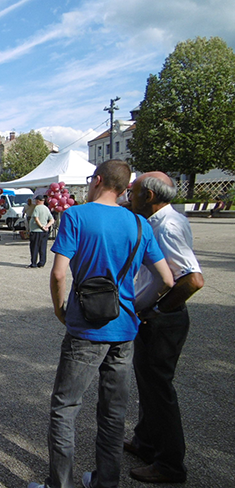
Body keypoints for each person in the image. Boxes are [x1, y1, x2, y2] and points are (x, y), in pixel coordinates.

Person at [29, 160, 174, 488]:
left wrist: (59, 309)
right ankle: (105, 482)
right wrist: (134, 308)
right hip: (124, 330)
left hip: (85, 328)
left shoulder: (77, 216)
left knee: (65, 407)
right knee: (113, 412)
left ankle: (59, 484)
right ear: (125, 188)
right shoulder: (139, 223)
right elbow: (166, 279)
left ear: (97, 181)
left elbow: (58, 273)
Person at [125, 172, 204, 484]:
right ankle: (145, 442)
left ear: (150, 197)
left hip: (163, 321)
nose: (129, 196)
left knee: (159, 391)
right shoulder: (160, 220)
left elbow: (192, 279)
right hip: (155, 318)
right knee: (149, 385)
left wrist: (156, 310)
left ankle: (170, 464)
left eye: (133, 192)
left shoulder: (167, 226)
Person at [27, 195, 54, 268]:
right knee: (42, 247)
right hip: (44, 231)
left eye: (36, 200)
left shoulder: (37, 208)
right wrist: (47, 226)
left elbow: (36, 218)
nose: (35, 201)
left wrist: (41, 226)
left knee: (34, 247)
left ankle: (34, 263)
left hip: (36, 230)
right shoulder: (46, 208)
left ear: (38, 201)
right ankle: (42, 262)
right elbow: (52, 220)